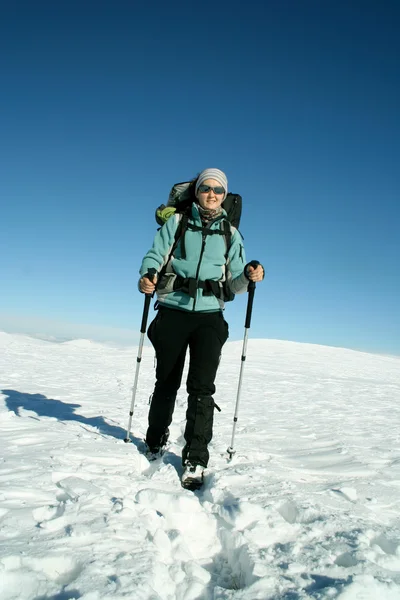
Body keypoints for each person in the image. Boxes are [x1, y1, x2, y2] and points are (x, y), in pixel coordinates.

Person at [139, 168, 264, 488]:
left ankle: (195, 456)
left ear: (225, 196)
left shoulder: (231, 234)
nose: (211, 194)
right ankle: (155, 440)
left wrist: (249, 275)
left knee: (202, 387)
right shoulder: (177, 223)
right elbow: (155, 255)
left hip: (210, 316)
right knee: (166, 381)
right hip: (172, 310)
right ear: (196, 191)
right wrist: (148, 276)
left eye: (218, 190)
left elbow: (234, 283)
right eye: (206, 188)